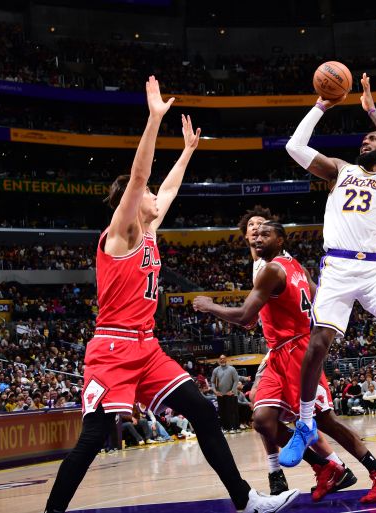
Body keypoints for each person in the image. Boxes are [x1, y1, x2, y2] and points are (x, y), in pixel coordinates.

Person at [43, 76, 298, 513]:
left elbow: (168, 188)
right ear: (129, 199)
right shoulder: (121, 233)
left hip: (147, 346)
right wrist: (153, 120)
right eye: (145, 193)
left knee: (201, 410)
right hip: (113, 347)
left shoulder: (148, 228)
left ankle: (245, 500)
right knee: (92, 437)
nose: (153, 196)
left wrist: (187, 153)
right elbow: (141, 174)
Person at [194, 222, 376, 504]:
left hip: (297, 351)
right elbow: (318, 296)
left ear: (280, 241)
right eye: (256, 234)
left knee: (325, 420)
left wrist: (209, 306)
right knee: (263, 421)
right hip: (278, 352)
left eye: (267, 234)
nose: (259, 238)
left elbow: (243, 317)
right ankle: (325, 466)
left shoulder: (273, 270)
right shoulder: (295, 266)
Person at [281, 72, 376, 462]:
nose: (366, 138)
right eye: (364, 136)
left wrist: (372, 110)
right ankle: (306, 422)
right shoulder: (341, 170)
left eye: (372, 138)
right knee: (316, 348)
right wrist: (319, 107)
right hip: (338, 270)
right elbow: (294, 146)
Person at [236, 208, 356, 496]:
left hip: (290, 345)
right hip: (280, 345)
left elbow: (251, 313)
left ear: (275, 238)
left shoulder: (276, 266)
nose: (256, 229)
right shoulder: (262, 266)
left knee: (296, 415)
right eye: (251, 226)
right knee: (268, 412)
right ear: (245, 235)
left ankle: (323, 466)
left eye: (262, 227)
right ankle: (294, 468)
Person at [212, 355, 240, 433]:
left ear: (226, 359)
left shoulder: (232, 369)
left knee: (232, 411)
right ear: (219, 360)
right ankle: (225, 428)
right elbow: (212, 382)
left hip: (231, 394)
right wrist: (215, 391)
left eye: (223, 358)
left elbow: (236, 380)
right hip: (220, 394)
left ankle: (234, 427)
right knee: (222, 412)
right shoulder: (216, 370)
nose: (222, 360)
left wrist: (232, 390)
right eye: (220, 359)